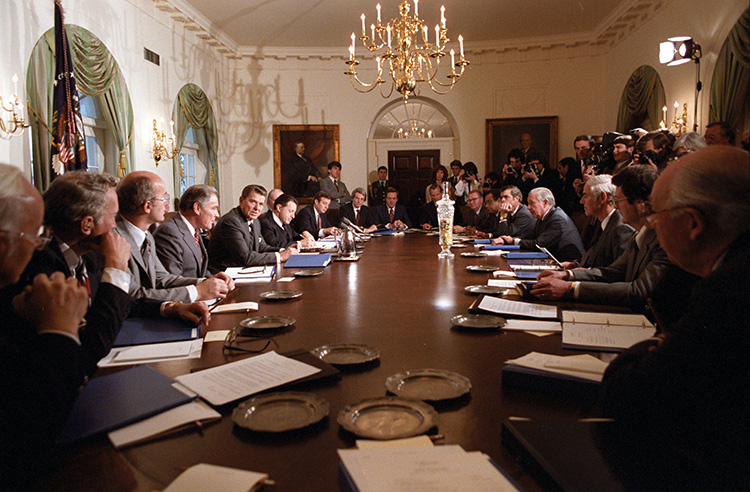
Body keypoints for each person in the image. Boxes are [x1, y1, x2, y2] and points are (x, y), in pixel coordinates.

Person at [598, 146, 750, 488]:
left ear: (693, 223)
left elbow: (631, 396)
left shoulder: (730, 288)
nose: (651, 222)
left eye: (658, 212)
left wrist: (652, 347)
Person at [532, 165, 685, 314]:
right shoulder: (638, 235)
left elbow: (638, 290)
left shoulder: (663, 239)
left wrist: (571, 288)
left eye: (619, 200)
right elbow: (611, 272)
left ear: (639, 203)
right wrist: (568, 275)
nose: (616, 206)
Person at [116, 171, 232, 302]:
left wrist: (207, 282)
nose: (167, 206)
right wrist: (197, 292)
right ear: (147, 206)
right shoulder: (114, 240)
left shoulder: (147, 235)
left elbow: (161, 278)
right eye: (164, 199)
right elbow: (131, 295)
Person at [209, 184, 297, 273]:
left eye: (261, 204)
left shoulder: (255, 221)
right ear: (241, 200)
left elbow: (262, 247)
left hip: (244, 270)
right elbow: (245, 257)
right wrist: (280, 256)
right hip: (223, 274)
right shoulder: (231, 221)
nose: (257, 208)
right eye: (253, 202)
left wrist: (285, 250)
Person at [496, 187, 585, 262]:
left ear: (545, 203)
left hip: (568, 265)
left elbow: (539, 244)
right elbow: (530, 236)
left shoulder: (557, 219)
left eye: (532, 203)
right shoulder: (543, 217)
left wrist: (513, 241)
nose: (528, 207)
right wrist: (507, 240)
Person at [154, 184, 222, 278]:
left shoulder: (194, 229)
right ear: (197, 208)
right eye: (213, 208)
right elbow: (173, 281)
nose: (217, 215)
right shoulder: (168, 233)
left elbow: (201, 271)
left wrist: (217, 281)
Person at [570, 175, 633, 268]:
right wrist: (576, 265)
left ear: (603, 198)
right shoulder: (600, 222)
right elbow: (595, 259)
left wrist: (573, 275)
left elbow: (616, 274)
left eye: (586, 196)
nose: (582, 201)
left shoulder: (621, 228)